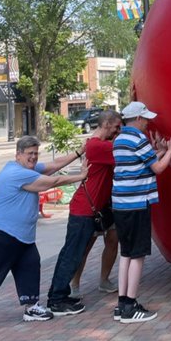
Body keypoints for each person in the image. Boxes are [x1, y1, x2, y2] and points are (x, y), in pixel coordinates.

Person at [0, 135, 88, 336]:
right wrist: (79, 177)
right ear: (18, 155)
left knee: (30, 264)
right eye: (29, 154)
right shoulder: (16, 173)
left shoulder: (27, 169)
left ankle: (31, 307)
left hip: (20, 235)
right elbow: (51, 181)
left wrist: (79, 152)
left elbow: (54, 166)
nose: (33, 158)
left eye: (36, 154)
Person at [46, 111, 122, 316]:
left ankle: (59, 295)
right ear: (106, 124)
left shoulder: (94, 144)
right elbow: (126, 153)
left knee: (71, 254)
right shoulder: (99, 146)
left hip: (90, 208)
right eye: (116, 126)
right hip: (84, 210)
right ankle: (56, 300)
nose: (118, 130)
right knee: (72, 255)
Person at [111, 100, 171, 323]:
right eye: (146, 119)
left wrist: (157, 152)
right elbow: (157, 169)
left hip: (121, 203)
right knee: (137, 255)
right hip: (137, 203)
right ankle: (130, 306)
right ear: (138, 119)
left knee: (126, 254)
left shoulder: (120, 139)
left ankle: (122, 304)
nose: (148, 123)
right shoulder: (138, 139)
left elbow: (142, 163)